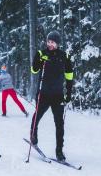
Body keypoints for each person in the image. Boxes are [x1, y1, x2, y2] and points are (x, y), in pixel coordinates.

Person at [30, 30, 73, 161]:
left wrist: (68, 93)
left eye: (52, 42)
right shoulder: (42, 54)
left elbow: (69, 76)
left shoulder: (64, 56)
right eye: (48, 41)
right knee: (36, 117)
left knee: (59, 124)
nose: (50, 44)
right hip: (44, 93)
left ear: (58, 43)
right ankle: (33, 136)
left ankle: (59, 152)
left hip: (58, 95)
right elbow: (34, 70)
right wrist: (37, 59)